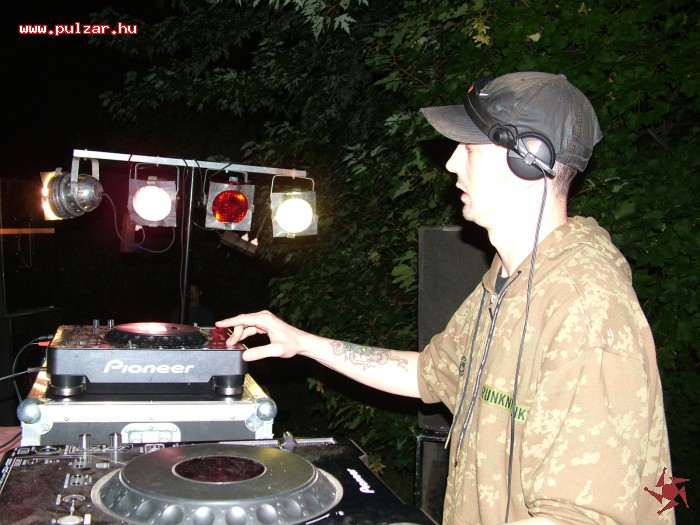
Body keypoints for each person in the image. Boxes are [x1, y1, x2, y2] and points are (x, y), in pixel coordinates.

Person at [216, 72, 673, 525]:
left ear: (527, 160)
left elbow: (579, 520)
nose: (452, 162)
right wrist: (302, 342)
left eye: (470, 148)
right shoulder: (507, 281)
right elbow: (427, 374)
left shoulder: (586, 308)